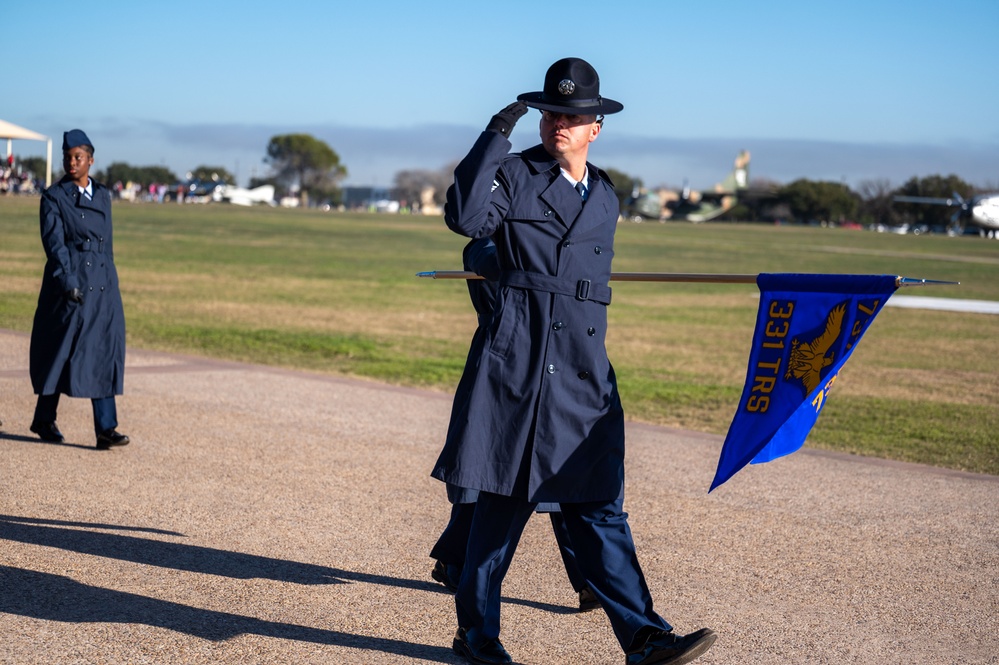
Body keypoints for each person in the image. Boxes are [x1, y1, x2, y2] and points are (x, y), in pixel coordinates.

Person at [431, 58, 716, 665]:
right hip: (520, 369)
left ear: (596, 127)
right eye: (551, 113)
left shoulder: (607, 195)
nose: (560, 123)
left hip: (584, 375)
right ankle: (474, 638)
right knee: (497, 521)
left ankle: (644, 638)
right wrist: (494, 133)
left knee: (600, 508)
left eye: (573, 115)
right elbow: (465, 218)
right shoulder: (511, 175)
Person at [431, 236, 599, 613]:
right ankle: (455, 562)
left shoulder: (556, 244)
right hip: (500, 369)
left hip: (556, 365)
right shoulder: (485, 244)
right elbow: (491, 260)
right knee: (486, 478)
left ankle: (592, 580)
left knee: (561, 479)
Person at [29, 129, 129, 450]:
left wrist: (112, 285)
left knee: (101, 352)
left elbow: (108, 245)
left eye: (78, 157)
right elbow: (55, 246)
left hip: (102, 288)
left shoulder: (102, 196)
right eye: (68, 157)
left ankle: (105, 428)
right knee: (61, 354)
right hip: (69, 286)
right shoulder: (54, 197)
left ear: (90, 160)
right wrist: (68, 283)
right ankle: (44, 419)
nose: (72, 163)